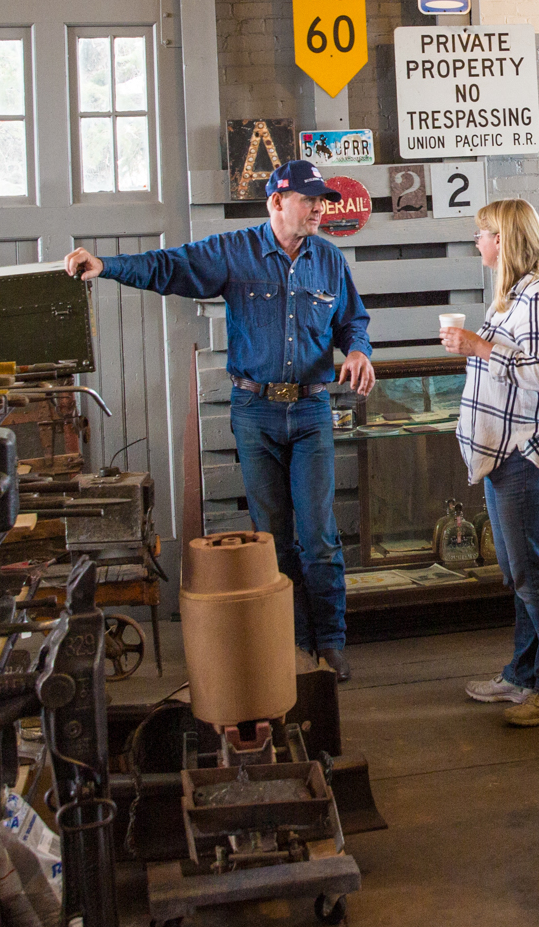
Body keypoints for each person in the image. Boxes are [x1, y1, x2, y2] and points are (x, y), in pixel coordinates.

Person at [65, 159, 374, 681]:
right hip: (254, 412)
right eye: (309, 199)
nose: (320, 208)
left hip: (313, 409)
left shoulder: (330, 260)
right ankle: (294, 641)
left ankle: (331, 643)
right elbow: (169, 267)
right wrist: (107, 266)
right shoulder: (234, 252)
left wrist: (359, 351)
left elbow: (353, 321)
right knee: (271, 536)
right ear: (277, 202)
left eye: (322, 200)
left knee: (319, 536)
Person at [440, 199, 539, 728]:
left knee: (534, 577)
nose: (477, 241)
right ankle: (524, 676)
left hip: (529, 453)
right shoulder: (514, 295)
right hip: (505, 456)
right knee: (519, 576)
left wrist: (478, 346)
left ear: (503, 238)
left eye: (482, 233)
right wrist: (479, 347)